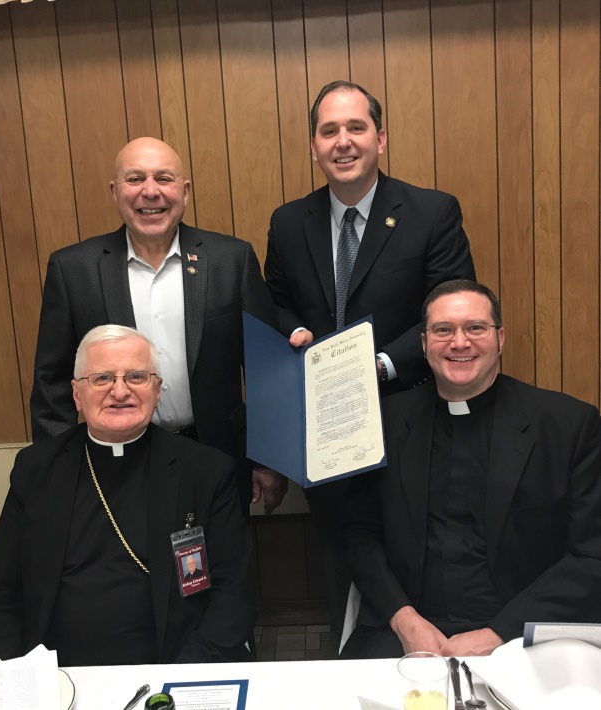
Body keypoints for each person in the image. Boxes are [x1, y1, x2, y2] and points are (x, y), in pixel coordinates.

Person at [264, 80, 476, 644]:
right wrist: (292, 330)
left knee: (408, 550)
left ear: (380, 137)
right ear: (313, 145)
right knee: (339, 550)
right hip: (323, 429)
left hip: (407, 418)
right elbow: (275, 299)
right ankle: (345, 661)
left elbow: (451, 304)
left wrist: (379, 364)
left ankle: (425, 651)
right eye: (329, 130)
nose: (343, 141)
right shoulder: (289, 222)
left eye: (356, 127)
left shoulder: (432, 212)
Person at [0, 325, 255, 669]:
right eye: (102, 378)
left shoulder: (205, 471)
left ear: (157, 389)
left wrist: (181, 680)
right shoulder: (37, 470)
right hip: (59, 675)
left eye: (136, 376)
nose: (120, 391)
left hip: (171, 667)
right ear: (76, 394)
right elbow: (0, 593)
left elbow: (233, 593)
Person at [343, 280, 601, 658]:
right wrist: (405, 620)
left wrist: (497, 634)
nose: (459, 342)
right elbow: (359, 536)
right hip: (405, 627)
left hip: (524, 630)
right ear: (424, 343)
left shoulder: (567, 425)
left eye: (475, 328)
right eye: (443, 330)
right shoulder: (382, 423)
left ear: (500, 339)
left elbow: (591, 554)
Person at [30, 137, 286, 515]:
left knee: (220, 570)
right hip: (112, 465)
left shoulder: (231, 260)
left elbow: (267, 371)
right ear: (115, 192)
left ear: (184, 191)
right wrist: (62, 474)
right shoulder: (74, 271)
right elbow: (51, 387)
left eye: (163, 178)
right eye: (135, 179)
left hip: (217, 460)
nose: (150, 192)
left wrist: (269, 460)